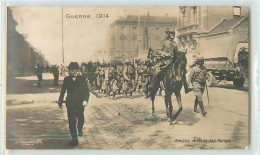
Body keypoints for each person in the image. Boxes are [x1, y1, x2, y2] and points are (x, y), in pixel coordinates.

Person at [148, 28, 189, 96]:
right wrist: (165, 53)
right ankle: (152, 86)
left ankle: (186, 87)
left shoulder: (175, 43)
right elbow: (158, 51)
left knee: (183, 71)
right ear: (168, 34)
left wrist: (182, 53)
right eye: (171, 33)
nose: (172, 35)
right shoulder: (163, 42)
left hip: (173, 61)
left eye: (173, 33)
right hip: (165, 62)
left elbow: (177, 53)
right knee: (157, 72)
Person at [58, 62, 90, 146]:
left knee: (80, 118)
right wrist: (60, 101)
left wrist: (86, 100)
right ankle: (74, 139)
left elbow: (87, 91)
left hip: (80, 103)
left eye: (74, 70)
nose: (73, 72)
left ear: (77, 70)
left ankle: (80, 129)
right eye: (71, 70)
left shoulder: (82, 79)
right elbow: (63, 91)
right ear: (69, 70)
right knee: (71, 122)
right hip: (70, 103)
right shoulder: (66, 79)